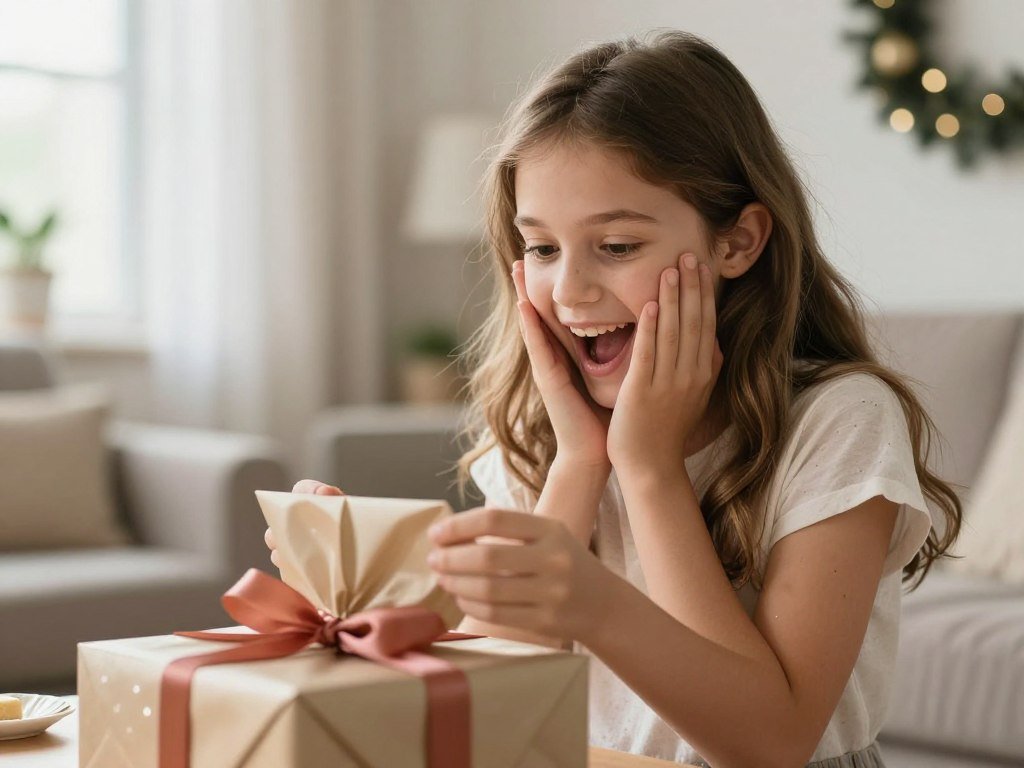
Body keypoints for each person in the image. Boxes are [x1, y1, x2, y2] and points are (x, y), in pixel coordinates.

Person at [266, 29, 964, 768]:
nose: (569, 291)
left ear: (739, 243)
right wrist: (569, 471)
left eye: (618, 246)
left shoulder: (839, 422)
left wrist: (647, 466)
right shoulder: (544, 429)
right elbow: (500, 700)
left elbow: (770, 742)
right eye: (541, 247)